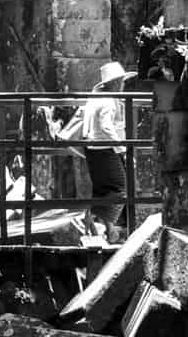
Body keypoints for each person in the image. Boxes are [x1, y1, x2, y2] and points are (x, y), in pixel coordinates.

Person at [45, 60, 131, 239]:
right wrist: (121, 148)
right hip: (105, 149)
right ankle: (94, 218)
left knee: (103, 189)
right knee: (120, 188)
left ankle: (108, 229)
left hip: (92, 150)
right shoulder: (108, 101)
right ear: (115, 82)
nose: (122, 84)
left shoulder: (94, 99)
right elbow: (106, 127)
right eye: (121, 81)